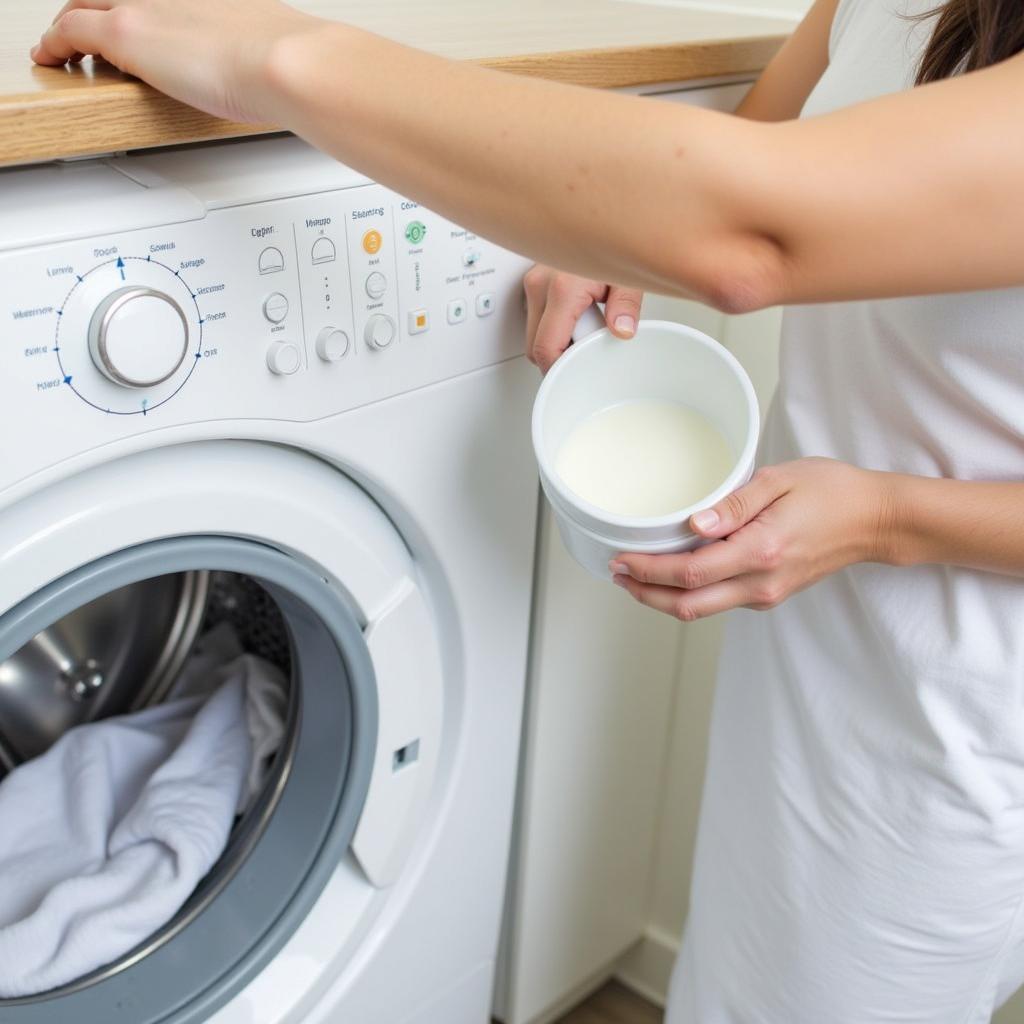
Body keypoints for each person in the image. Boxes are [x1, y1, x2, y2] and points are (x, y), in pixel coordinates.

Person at [31, 1, 1024, 1019]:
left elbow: (747, 224)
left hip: (963, 702)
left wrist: (275, 56)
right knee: (751, 966)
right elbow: (754, 148)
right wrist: (616, 238)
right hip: (826, 636)